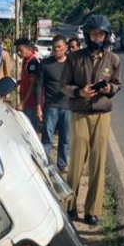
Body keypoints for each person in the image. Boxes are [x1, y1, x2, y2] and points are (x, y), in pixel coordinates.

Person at [60, 15, 122, 226]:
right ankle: (70, 206)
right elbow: (64, 86)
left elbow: (117, 84)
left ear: (106, 36)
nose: (98, 37)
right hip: (80, 114)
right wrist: (79, 92)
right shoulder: (74, 58)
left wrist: (109, 89)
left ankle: (92, 210)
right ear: (88, 35)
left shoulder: (113, 60)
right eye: (95, 33)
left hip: (102, 116)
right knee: (76, 162)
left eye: (101, 34)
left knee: (98, 163)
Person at [37, 35, 72, 172]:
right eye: (54, 47)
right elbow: (39, 87)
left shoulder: (71, 64)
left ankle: (62, 166)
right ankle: (46, 165)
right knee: (47, 138)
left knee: (65, 139)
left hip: (68, 107)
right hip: (50, 107)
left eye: (60, 47)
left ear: (66, 48)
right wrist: (39, 107)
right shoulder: (45, 64)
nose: (57, 50)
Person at [14, 38, 43, 134]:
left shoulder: (32, 62)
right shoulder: (26, 60)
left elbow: (33, 84)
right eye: (17, 51)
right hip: (26, 100)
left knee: (30, 130)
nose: (18, 53)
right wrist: (20, 82)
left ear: (28, 49)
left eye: (20, 50)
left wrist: (23, 102)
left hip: (31, 102)